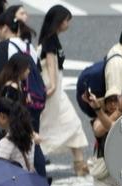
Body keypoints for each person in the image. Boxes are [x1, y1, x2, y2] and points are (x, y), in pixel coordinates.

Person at [37, 5, 88, 176]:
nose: (68, 24)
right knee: (47, 126)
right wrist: (51, 86)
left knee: (72, 123)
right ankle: (35, 155)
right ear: (58, 21)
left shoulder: (51, 38)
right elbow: (51, 63)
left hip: (56, 88)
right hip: (53, 89)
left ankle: (79, 164)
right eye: (66, 20)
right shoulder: (50, 40)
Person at [0, 98, 35, 172]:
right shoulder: (29, 136)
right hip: (27, 180)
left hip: (14, 182)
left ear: (2, 116)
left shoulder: (5, 143)